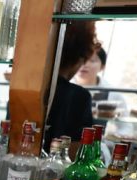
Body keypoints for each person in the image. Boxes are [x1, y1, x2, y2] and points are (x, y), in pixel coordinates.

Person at [45, 21, 98, 154]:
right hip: (55, 172)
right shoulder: (79, 96)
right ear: (81, 58)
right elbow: (76, 155)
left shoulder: (25, 87)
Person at [73, 46, 130, 116]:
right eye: (82, 59)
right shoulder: (62, 86)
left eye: (92, 61)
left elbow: (126, 125)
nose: (85, 64)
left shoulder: (112, 92)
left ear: (102, 67)